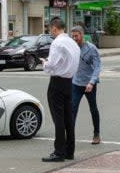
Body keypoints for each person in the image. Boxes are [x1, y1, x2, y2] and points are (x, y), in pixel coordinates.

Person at [40, 18, 81, 162]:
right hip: (69, 82)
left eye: (50, 29)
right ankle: (70, 151)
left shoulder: (57, 43)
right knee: (68, 117)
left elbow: (52, 64)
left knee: (58, 118)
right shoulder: (72, 43)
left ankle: (59, 152)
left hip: (57, 82)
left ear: (54, 28)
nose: (50, 31)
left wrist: (45, 64)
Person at [70, 26, 102, 145]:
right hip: (76, 83)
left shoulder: (91, 48)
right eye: (72, 36)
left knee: (93, 109)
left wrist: (91, 82)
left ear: (82, 35)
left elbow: (97, 66)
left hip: (89, 85)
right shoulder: (72, 48)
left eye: (76, 36)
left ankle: (96, 134)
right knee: (72, 109)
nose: (74, 38)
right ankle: (70, 136)